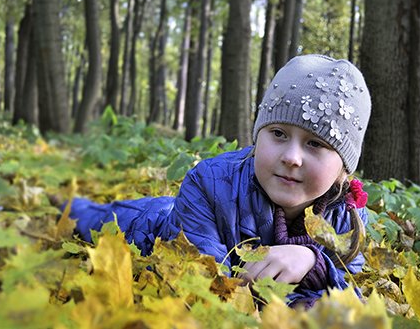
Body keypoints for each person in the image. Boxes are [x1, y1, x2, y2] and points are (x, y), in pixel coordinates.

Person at [68, 54, 372, 308]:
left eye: (315, 144)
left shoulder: (348, 218)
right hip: (152, 226)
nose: (292, 157)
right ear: (258, 137)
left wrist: (313, 262)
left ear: (343, 170)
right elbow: (205, 285)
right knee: (87, 217)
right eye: (278, 134)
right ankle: (66, 203)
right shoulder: (208, 184)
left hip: (183, 217)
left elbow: (347, 294)